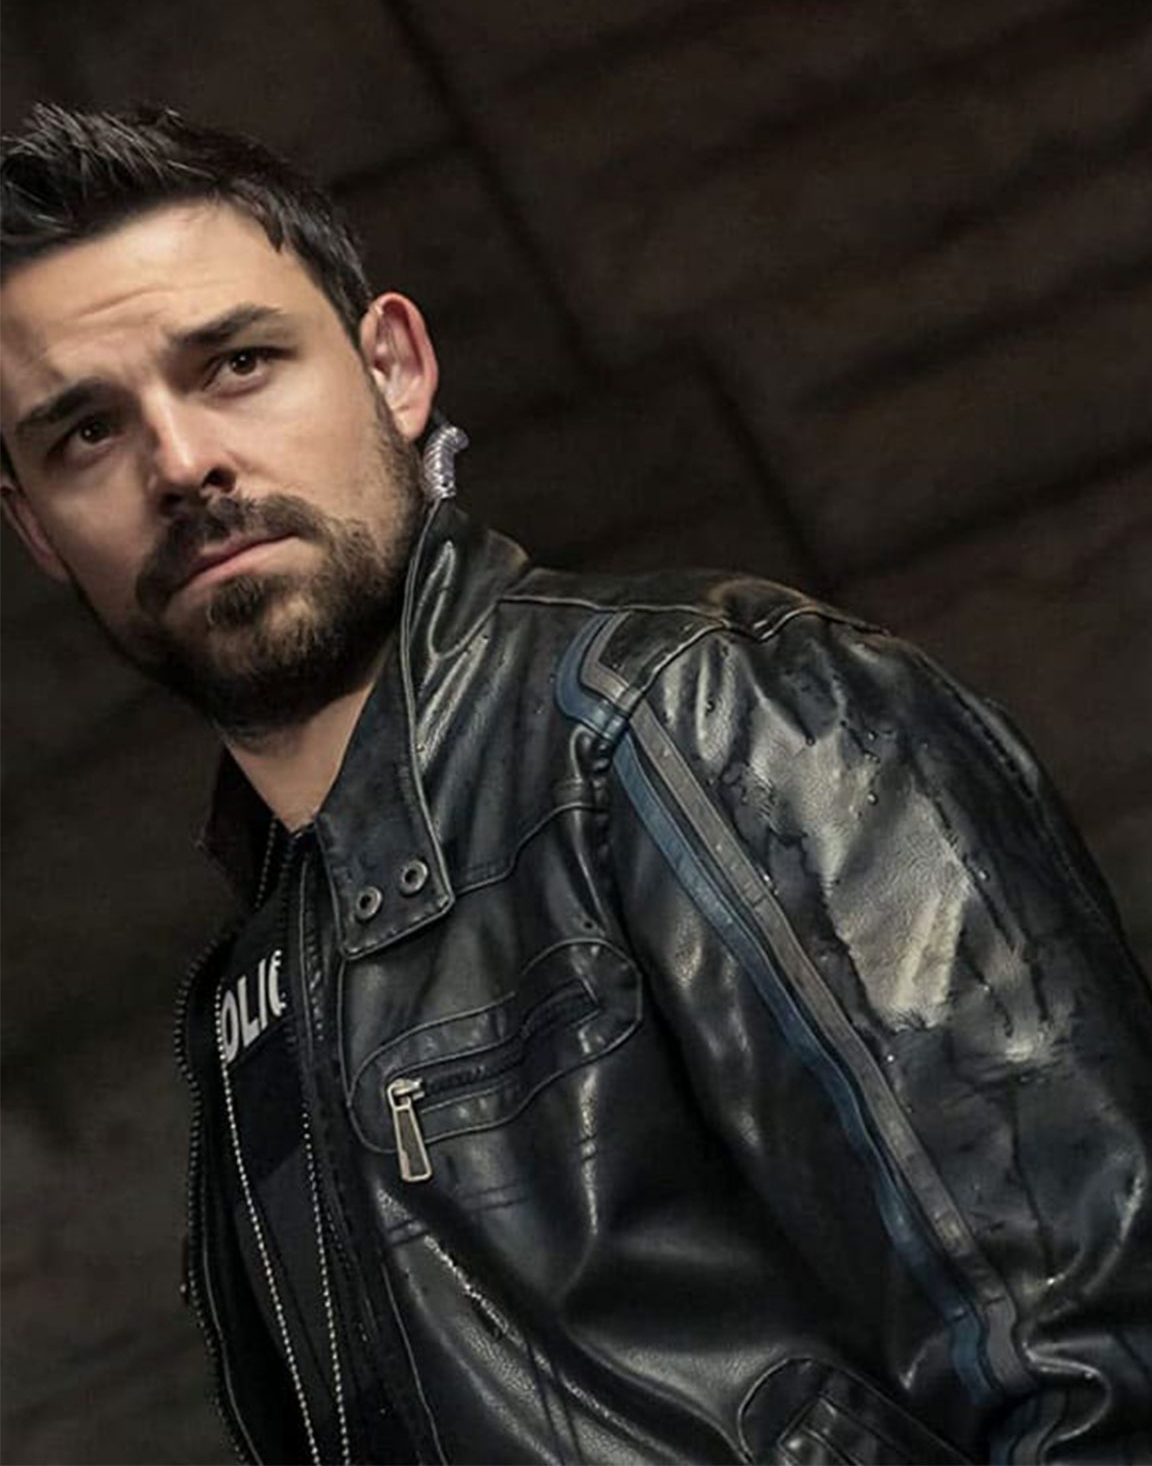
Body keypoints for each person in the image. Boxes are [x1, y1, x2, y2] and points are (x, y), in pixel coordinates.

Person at [1, 104, 1149, 1466]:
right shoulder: (258, 985)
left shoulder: (692, 712)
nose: (182, 463)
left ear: (394, 368)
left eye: (238, 363)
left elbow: (1092, 1359)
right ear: (37, 530)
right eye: (85, 433)